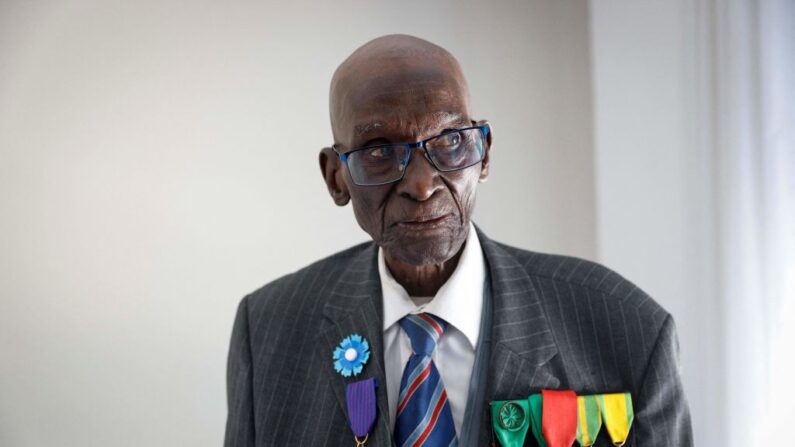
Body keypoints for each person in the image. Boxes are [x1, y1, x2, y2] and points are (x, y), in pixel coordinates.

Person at [224, 34, 692, 447]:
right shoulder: (267, 332)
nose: (423, 184)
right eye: (381, 151)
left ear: (484, 154)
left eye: (450, 141)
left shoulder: (626, 328)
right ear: (336, 178)